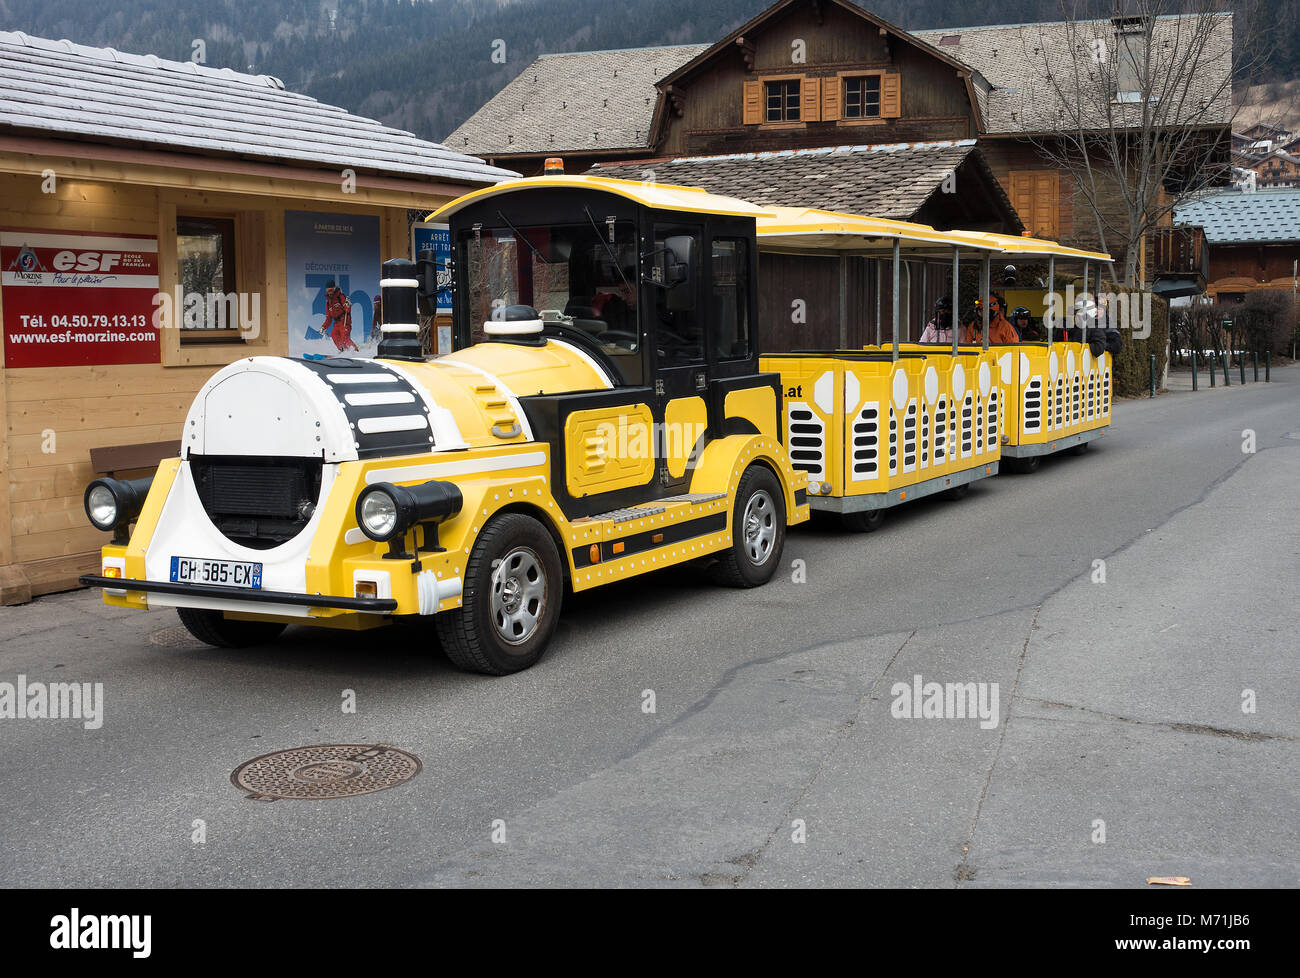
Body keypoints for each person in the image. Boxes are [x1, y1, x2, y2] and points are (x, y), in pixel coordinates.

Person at [320, 281, 358, 352]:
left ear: (334, 289)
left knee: (344, 336)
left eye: (331, 290)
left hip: (344, 321)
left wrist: (348, 305)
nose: (329, 292)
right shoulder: (328, 303)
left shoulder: (340, 296)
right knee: (334, 334)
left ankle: (355, 351)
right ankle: (343, 350)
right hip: (337, 324)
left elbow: (348, 310)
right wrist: (323, 327)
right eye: (327, 290)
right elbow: (328, 319)